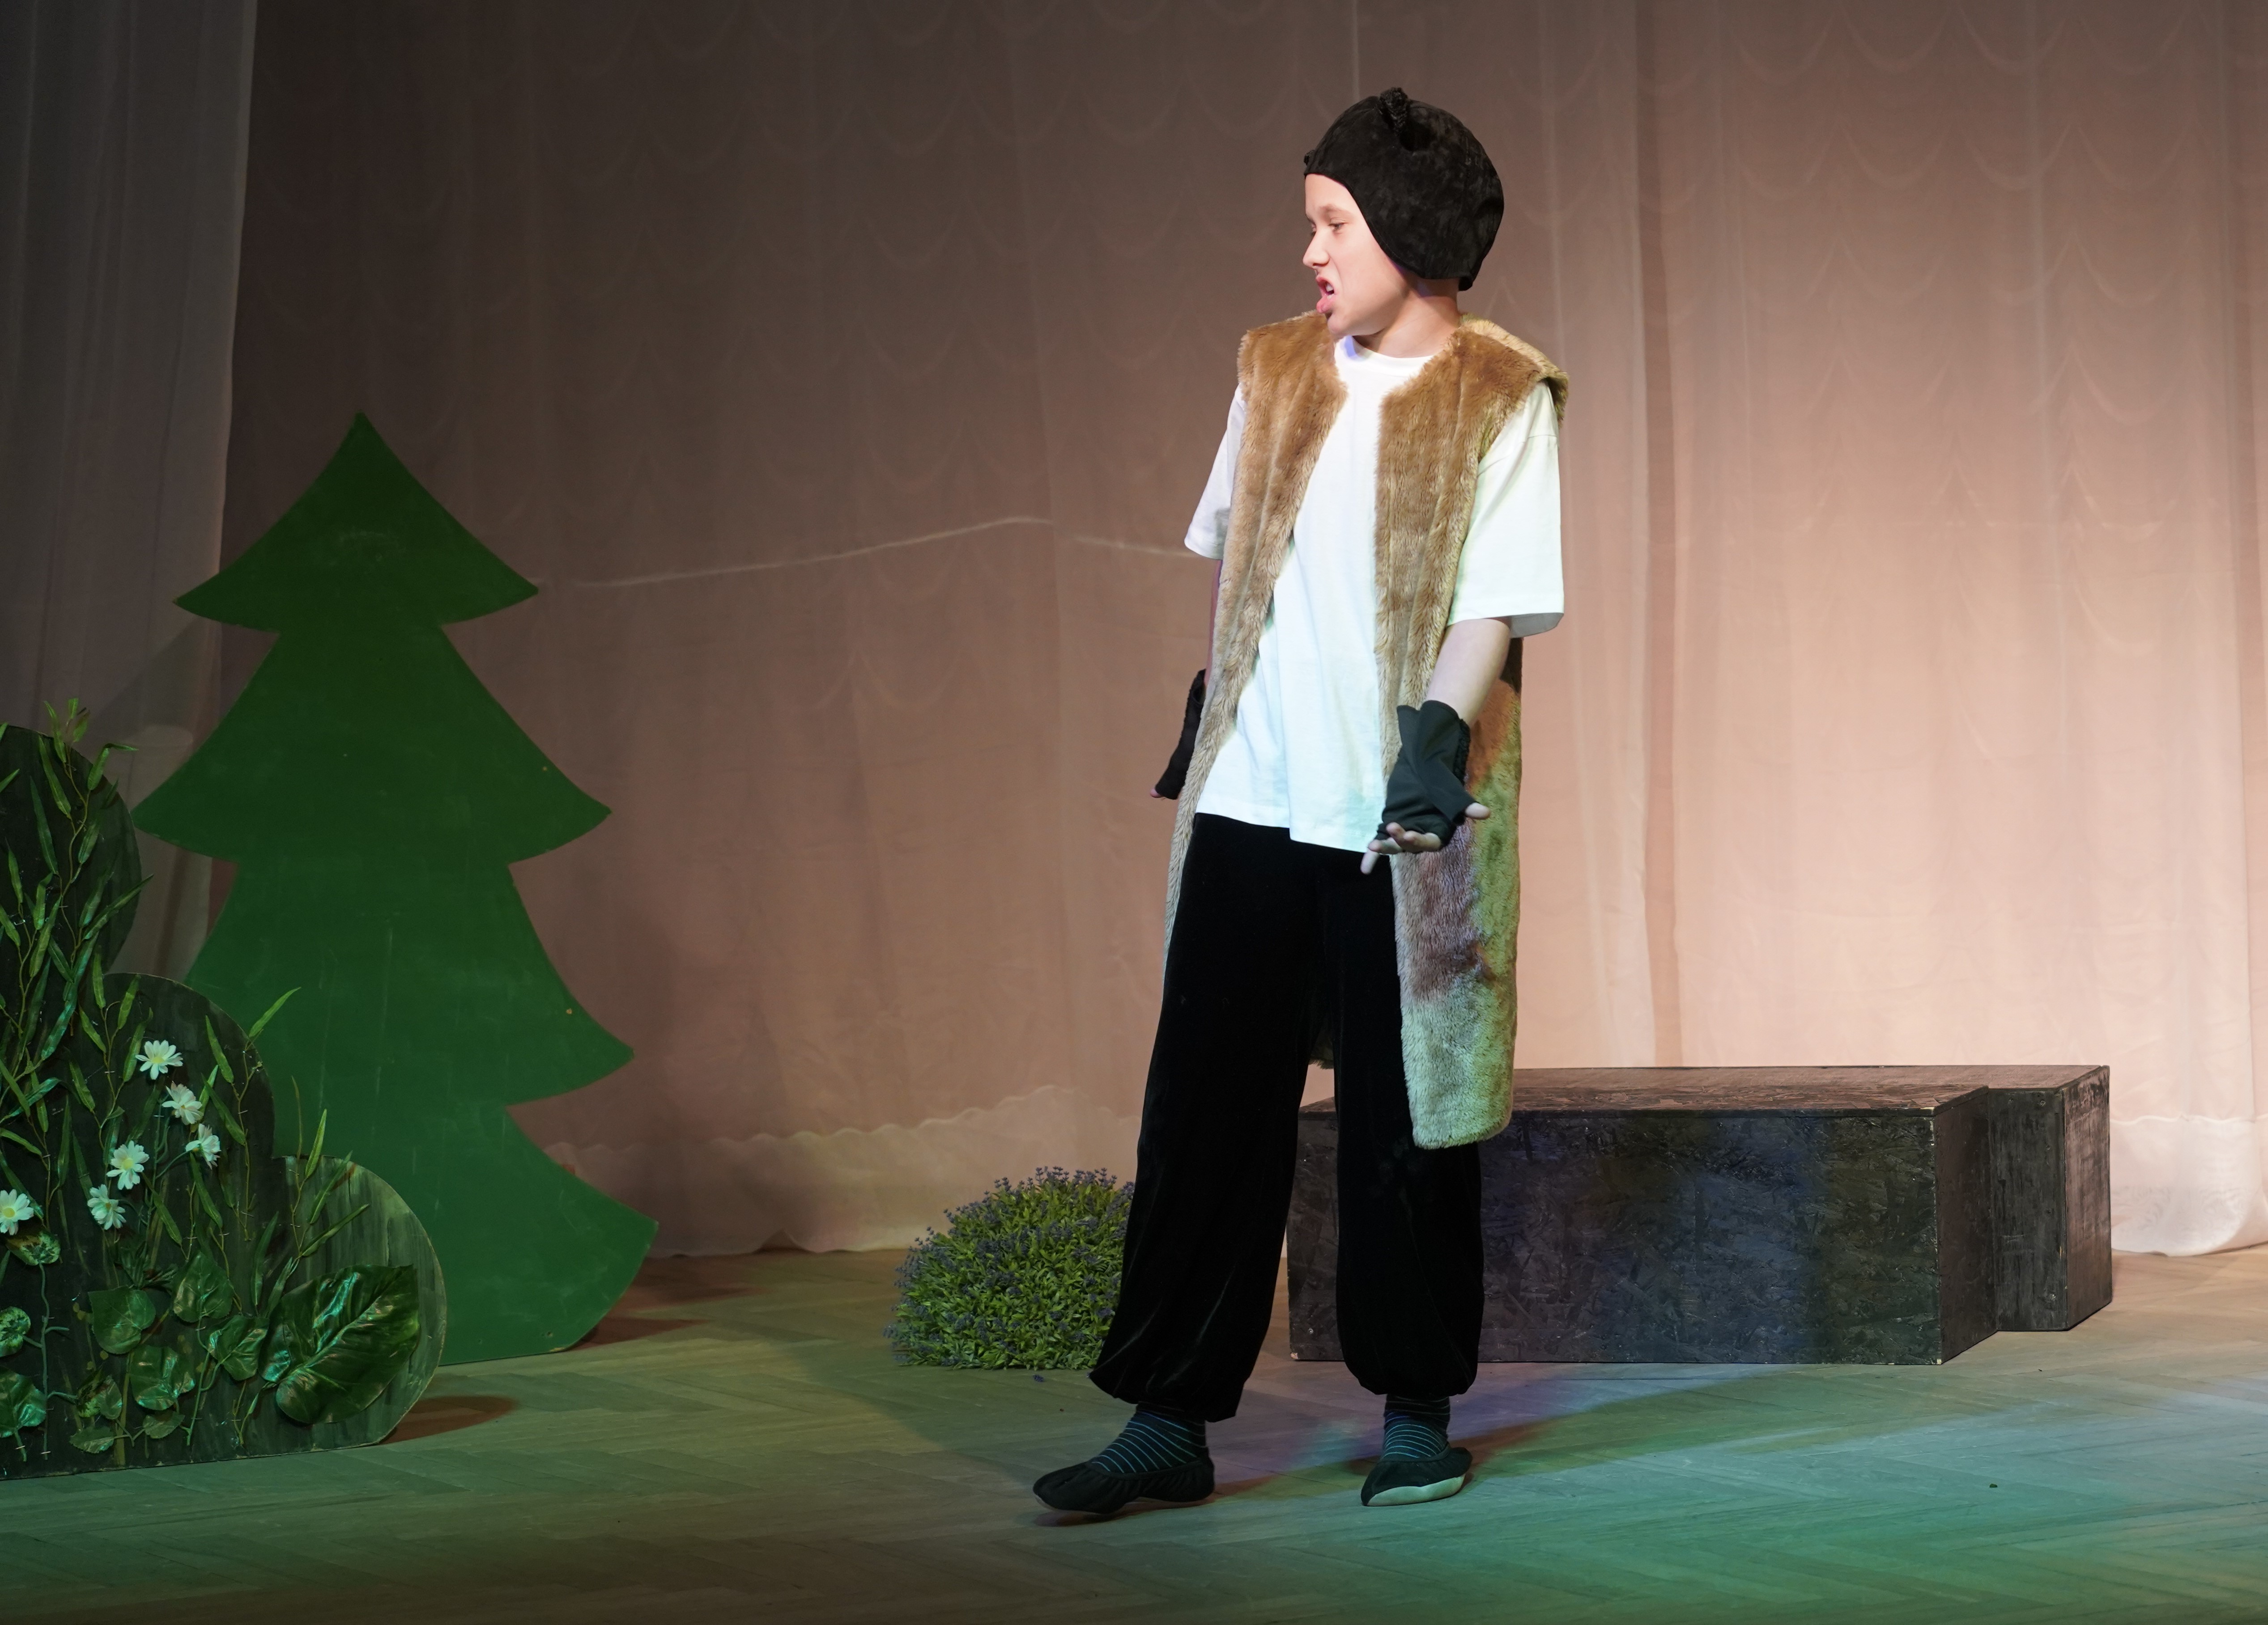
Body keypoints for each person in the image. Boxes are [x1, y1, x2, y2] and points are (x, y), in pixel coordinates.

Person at [1034, 87, 1565, 1517]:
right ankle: (1167, 1417)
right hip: (1253, 801)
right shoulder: (1272, 368)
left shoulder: (1501, 394)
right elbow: (1238, 552)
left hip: (1396, 818)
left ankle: (1416, 1411)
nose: (1312, 250)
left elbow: (1497, 600)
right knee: (1204, 1108)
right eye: (1313, 222)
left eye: (1335, 222)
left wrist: (1436, 743)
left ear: (1409, 231)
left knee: (1406, 1117)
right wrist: (1216, 702)